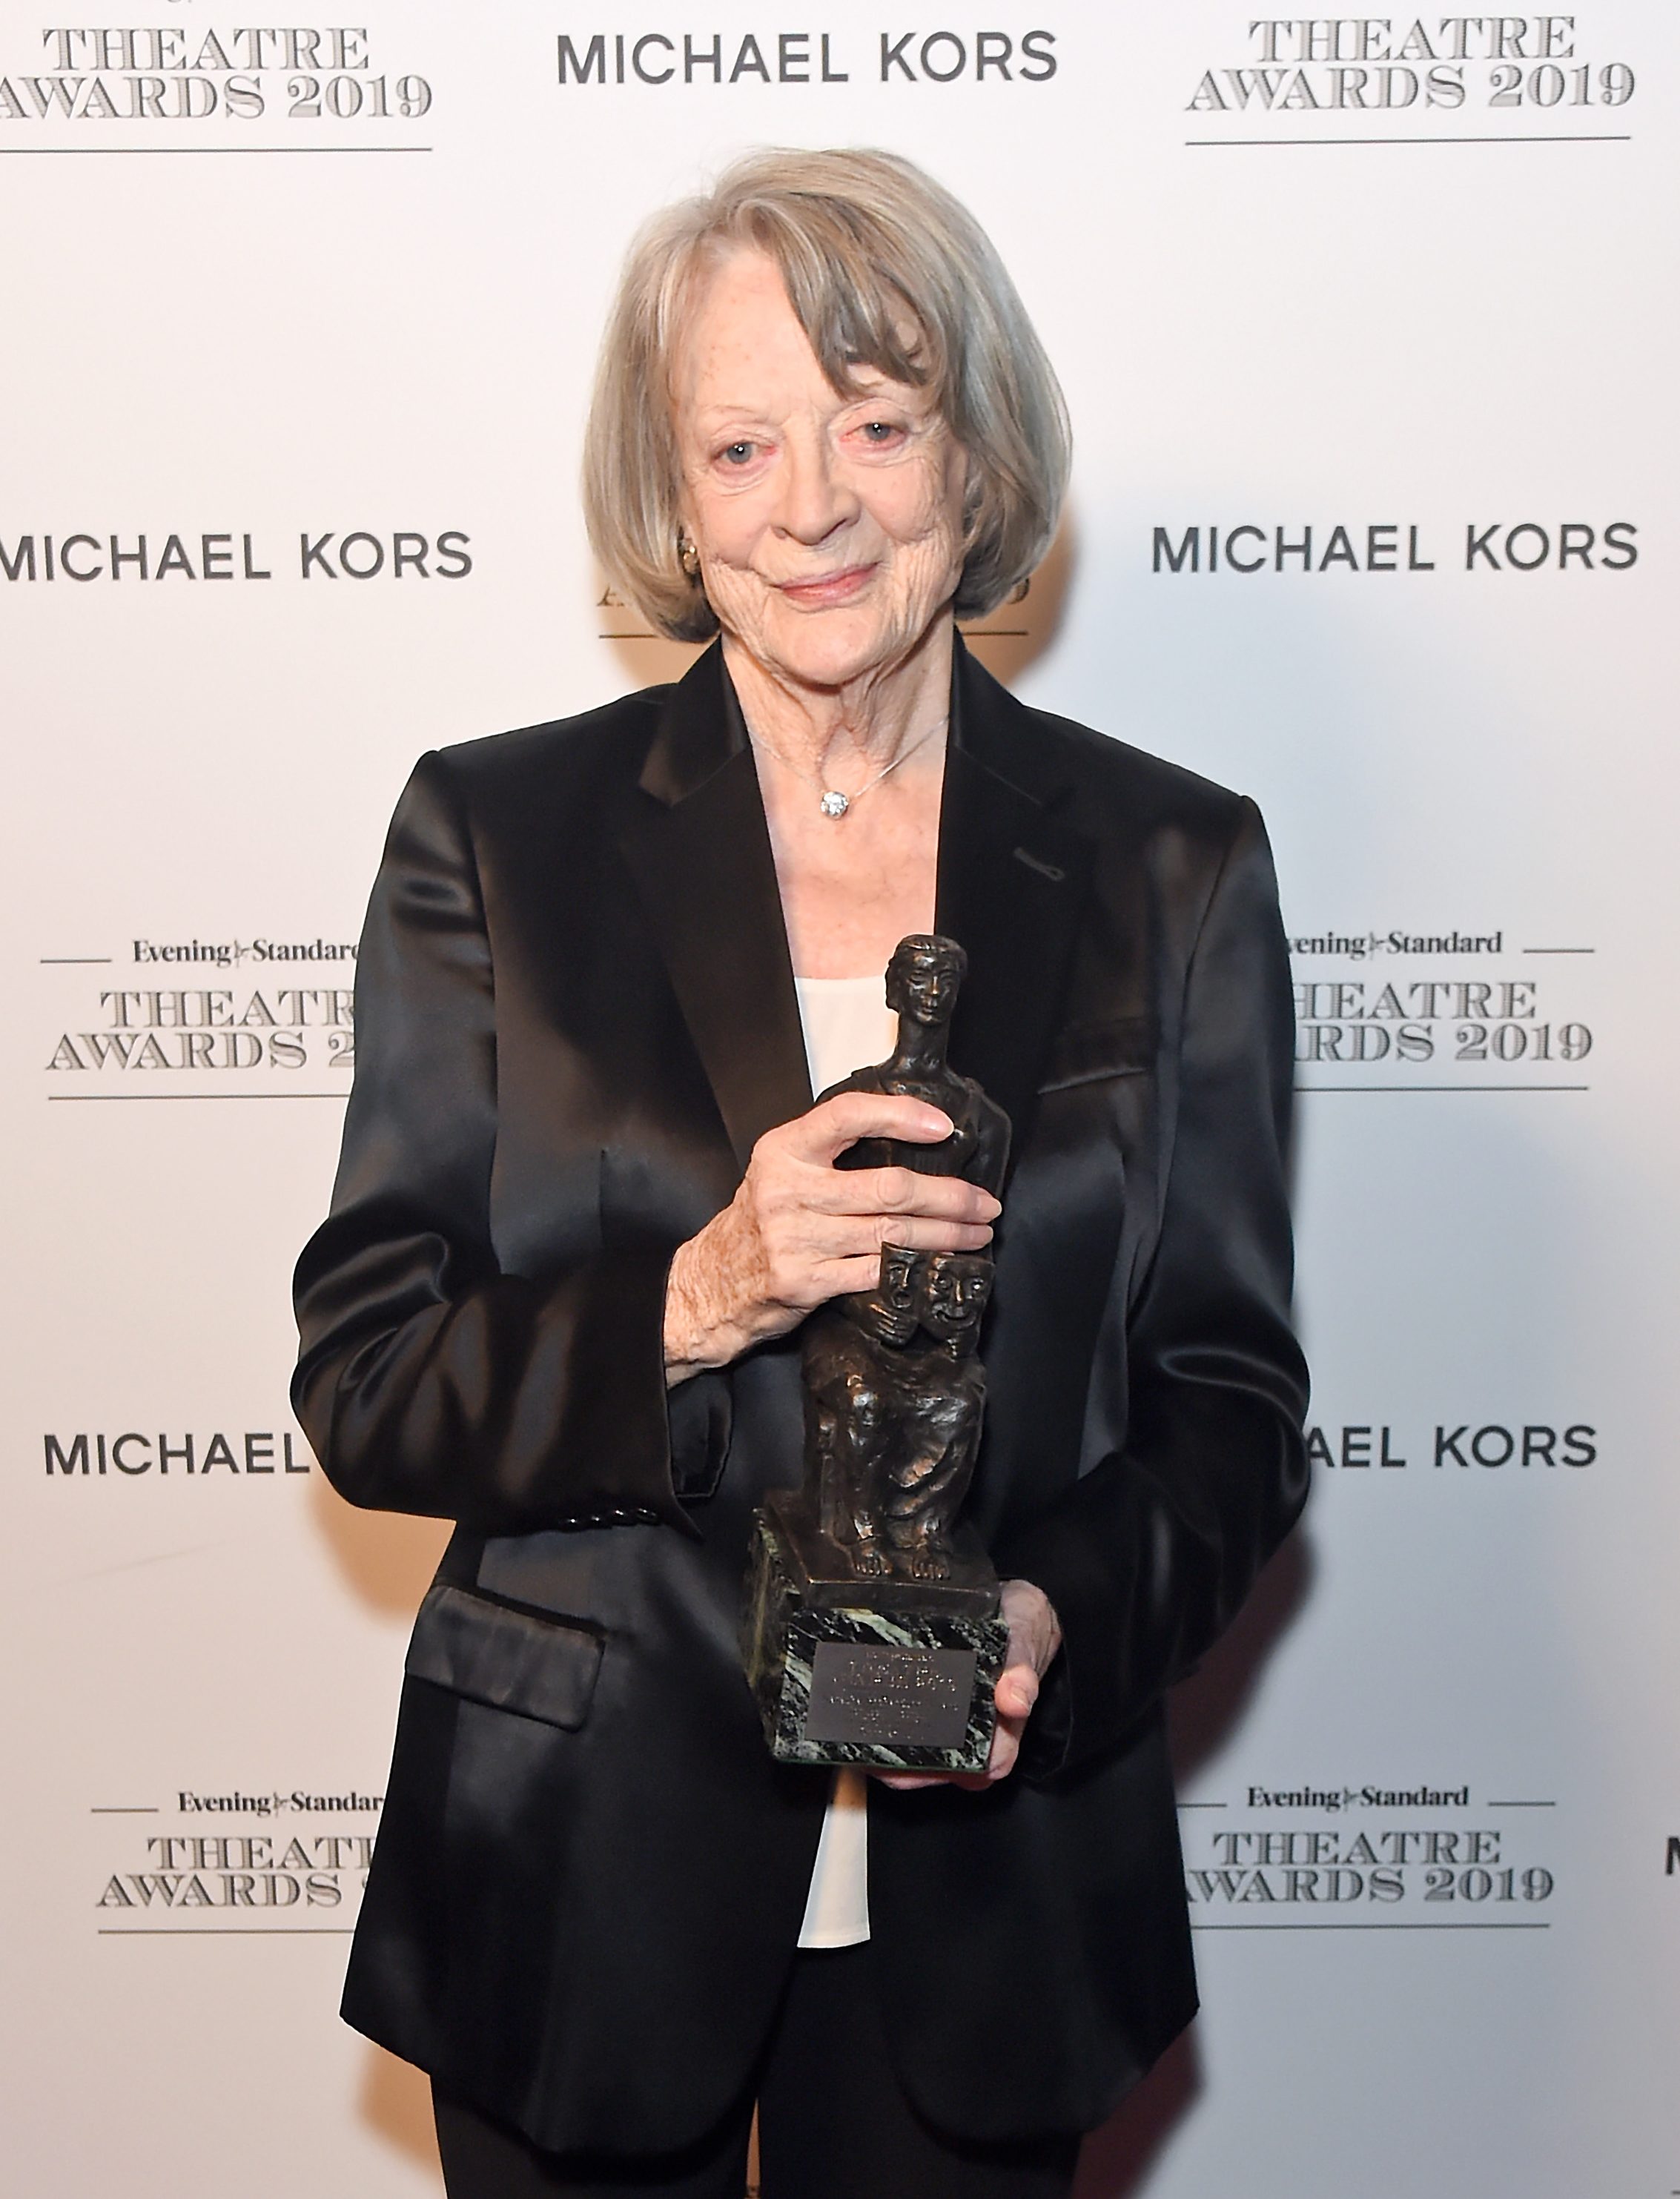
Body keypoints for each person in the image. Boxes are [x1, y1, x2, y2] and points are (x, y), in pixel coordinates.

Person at [292, 146, 1309, 2199]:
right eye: (739, 444)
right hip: (581, 1880)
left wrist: (1050, 1621)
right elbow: (371, 1380)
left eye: (876, 420)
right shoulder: (496, 838)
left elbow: (1228, 1405)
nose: (814, 507)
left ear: (974, 444)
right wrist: (701, 1292)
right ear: (669, 494)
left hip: (993, 1895)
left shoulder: (1165, 862)